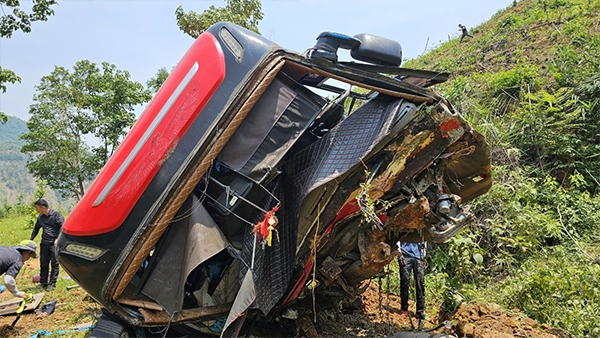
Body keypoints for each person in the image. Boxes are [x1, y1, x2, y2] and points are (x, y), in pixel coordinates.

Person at [31, 198, 64, 291]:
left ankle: (52, 283)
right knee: (44, 263)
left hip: (54, 243)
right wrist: (31, 240)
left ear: (43, 207)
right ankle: (43, 282)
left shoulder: (56, 215)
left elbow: (62, 226)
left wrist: (58, 239)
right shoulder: (41, 217)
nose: (36, 210)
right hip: (44, 243)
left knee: (54, 263)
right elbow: (36, 228)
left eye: (37, 208)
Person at [398, 241, 427, 319]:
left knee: (420, 283)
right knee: (405, 281)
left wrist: (423, 255)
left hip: (418, 256)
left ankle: (420, 310)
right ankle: (404, 307)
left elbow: (424, 239)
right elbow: (398, 238)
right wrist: (399, 254)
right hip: (405, 255)